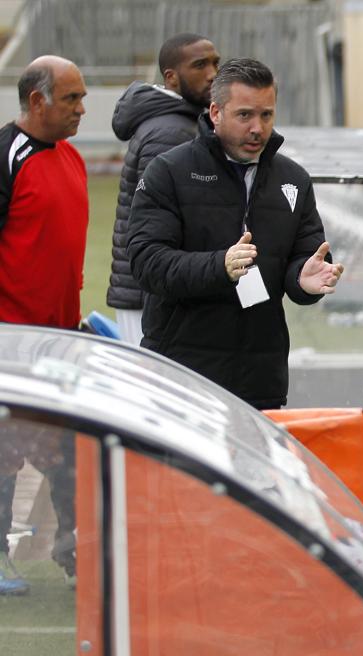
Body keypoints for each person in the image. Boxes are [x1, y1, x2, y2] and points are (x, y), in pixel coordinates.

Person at [128, 58, 344, 410]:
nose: (258, 128)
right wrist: (220, 267)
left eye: (267, 115)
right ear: (215, 112)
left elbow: (303, 259)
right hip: (182, 376)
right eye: (245, 115)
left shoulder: (294, 180)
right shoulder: (168, 172)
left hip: (261, 379)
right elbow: (147, 262)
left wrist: (303, 280)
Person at [0, 55, 90, 588]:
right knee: (6, 452)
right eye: (72, 99)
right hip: (12, 342)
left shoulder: (72, 158)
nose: (82, 109)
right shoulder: (7, 157)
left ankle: (75, 551)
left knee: (67, 450)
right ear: (37, 101)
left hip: (61, 342)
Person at [108, 33, 220, 345]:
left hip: (158, 293)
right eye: (200, 65)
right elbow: (155, 226)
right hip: (152, 299)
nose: (213, 73)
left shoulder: (181, 121)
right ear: (171, 77)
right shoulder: (169, 131)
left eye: (215, 63)